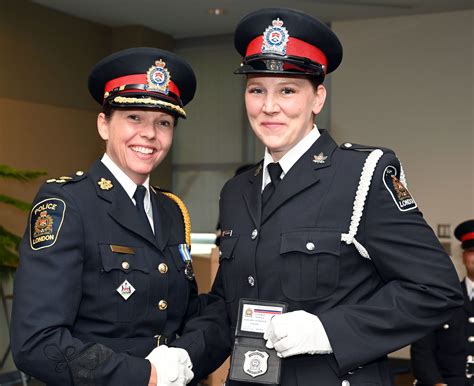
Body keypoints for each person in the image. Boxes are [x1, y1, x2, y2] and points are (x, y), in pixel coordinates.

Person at [172, 7, 463, 385]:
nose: (269, 107)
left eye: (288, 90)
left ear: (318, 98)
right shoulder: (236, 191)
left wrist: (328, 331)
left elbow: (435, 290)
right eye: (256, 90)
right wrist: (183, 355)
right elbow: (229, 306)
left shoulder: (361, 175)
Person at [10, 47, 229, 386]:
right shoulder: (67, 204)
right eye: (134, 118)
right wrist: (147, 376)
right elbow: (37, 342)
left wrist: (184, 358)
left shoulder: (170, 210)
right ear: (103, 124)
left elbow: (185, 316)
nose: (150, 134)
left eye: (164, 123)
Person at [411, 219, 474, 386]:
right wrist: (435, 383)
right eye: (472, 251)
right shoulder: (442, 298)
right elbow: (422, 347)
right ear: (463, 256)